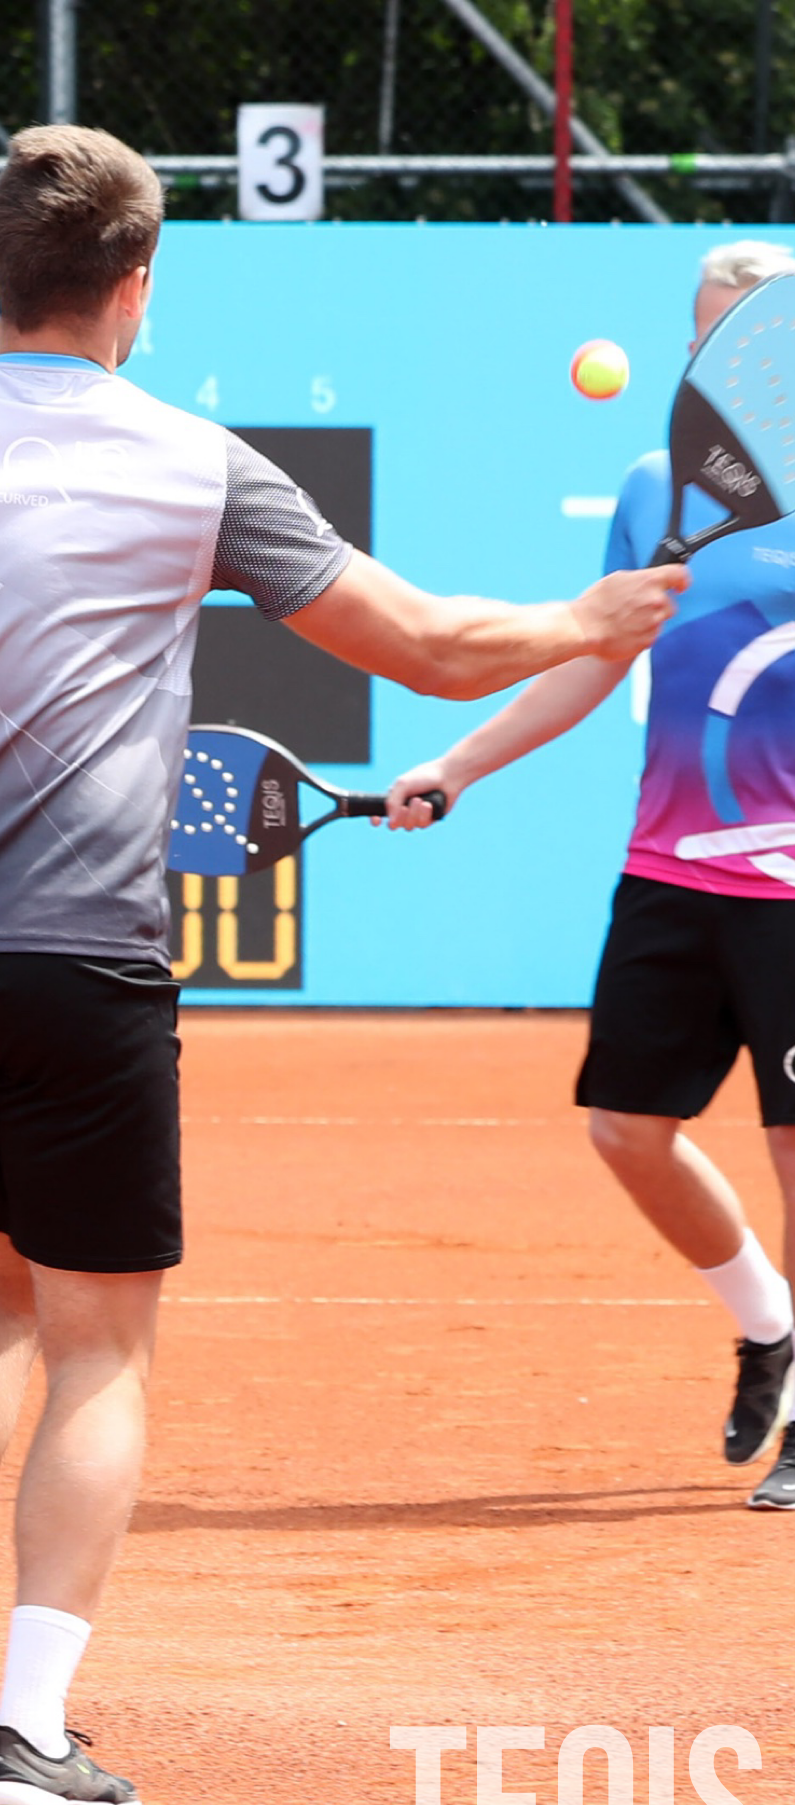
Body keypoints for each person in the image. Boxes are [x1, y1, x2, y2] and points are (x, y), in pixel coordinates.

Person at [0, 126, 681, 1805]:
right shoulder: (193, 461)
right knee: (102, 1341)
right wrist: (587, 623)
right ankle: (31, 1734)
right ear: (136, 284)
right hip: (83, 960)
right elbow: (423, 648)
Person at [385, 240, 795, 1510]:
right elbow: (594, 658)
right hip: (669, 870)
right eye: (708, 337)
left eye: (750, 337)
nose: (721, 359)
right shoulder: (655, 487)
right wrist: (458, 764)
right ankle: (768, 1326)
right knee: (626, 1130)